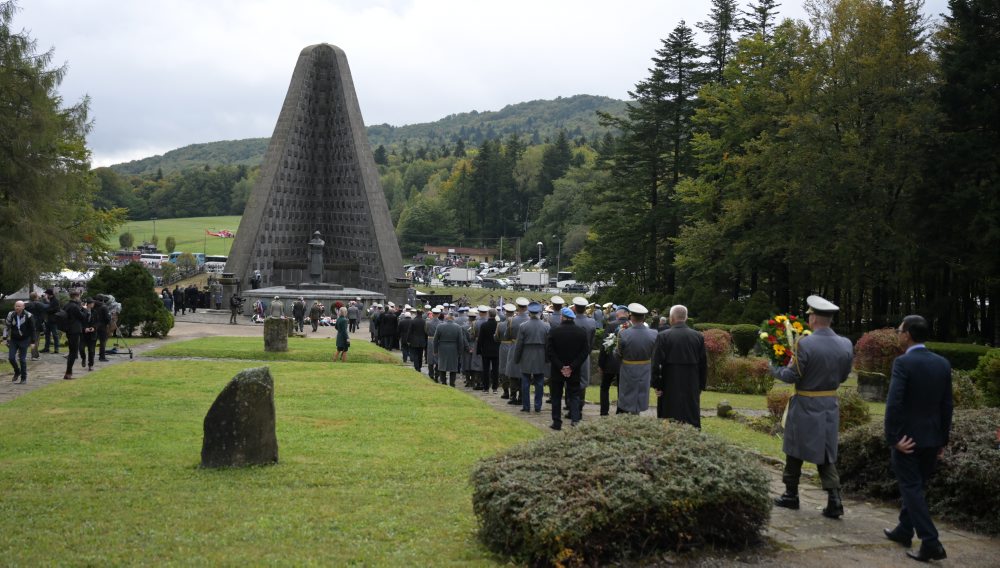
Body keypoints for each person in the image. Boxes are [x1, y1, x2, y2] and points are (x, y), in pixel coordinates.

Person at [770, 295, 854, 519]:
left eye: (809, 315)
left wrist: (774, 367)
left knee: (794, 447)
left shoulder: (804, 343)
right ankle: (834, 498)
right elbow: (845, 375)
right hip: (830, 403)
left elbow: (791, 375)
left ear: (814, 318)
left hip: (806, 401)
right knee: (826, 451)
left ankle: (790, 494)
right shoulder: (846, 343)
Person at [882, 315, 953, 562]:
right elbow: (947, 406)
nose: (898, 334)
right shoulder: (942, 363)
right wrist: (942, 440)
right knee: (916, 487)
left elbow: (894, 403)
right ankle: (904, 529)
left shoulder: (903, 363)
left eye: (899, 330)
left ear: (908, 334)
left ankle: (931, 542)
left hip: (908, 440)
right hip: (932, 438)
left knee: (911, 488)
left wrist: (893, 438)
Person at [651, 305, 707, 428]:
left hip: (669, 381)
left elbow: (655, 363)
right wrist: (701, 385)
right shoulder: (698, 336)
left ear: (671, 318)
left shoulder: (663, 336)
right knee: (690, 412)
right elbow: (703, 364)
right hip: (691, 381)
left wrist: (656, 384)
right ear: (686, 317)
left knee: (669, 414)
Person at [546, 307, 589, 430]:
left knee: (556, 396)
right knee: (575, 395)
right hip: (574, 370)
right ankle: (575, 420)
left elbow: (550, 352)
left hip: (557, 369)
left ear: (563, 317)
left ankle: (557, 422)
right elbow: (584, 352)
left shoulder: (554, 331)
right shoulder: (581, 332)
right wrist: (572, 366)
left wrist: (561, 366)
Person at [616, 303, 657, 415]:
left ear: (631, 316)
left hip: (628, 369)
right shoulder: (654, 334)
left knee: (627, 396)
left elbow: (618, 353)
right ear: (644, 317)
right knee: (641, 395)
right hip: (645, 368)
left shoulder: (623, 333)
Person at [514, 301, 549, 413]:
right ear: (539, 312)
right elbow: (548, 345)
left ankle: (526, 406)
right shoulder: (546, 326)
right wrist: (547, 358)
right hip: (540, 354)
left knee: (525, 381)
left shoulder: (523, 326)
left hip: (527, 354)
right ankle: (538, 406)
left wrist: (517, 358)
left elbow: (519, 344)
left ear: (529, 312)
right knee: (539, 382)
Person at [571, 297, 598, 419]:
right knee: (583, 380)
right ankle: (580, 406)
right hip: (585, 355)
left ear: (575, 308)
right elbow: (592, 340)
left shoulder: (570, 321)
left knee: (571, 380)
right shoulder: (592, 322)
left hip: (571, 355)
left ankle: (571, 408)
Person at [504, 297, 531, 407]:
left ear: (518, 307)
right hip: (527, 349)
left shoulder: (511, 320)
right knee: (524, 373)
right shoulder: (530, 320)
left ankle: (513, 396)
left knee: (513, 373)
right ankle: (522, 396)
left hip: (514, 346)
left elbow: (507, 336)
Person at [4, 301, 36, 383]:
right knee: (11, 358)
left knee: (22, 359)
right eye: (16, 306)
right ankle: (17, 371)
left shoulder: (29, 316)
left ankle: (23, 378)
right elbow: (7, 326)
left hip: (25, 339)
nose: (17, 308)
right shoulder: (11, 314)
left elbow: (33, 330)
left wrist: (33, 342)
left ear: (23, 307)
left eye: (19, 306)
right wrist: (5, 338)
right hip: (14, 339)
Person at [433, 313, 466, 386]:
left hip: (442, 348)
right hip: (453, 348)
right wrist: (460, 351)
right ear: (453, 319)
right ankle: (452, 383)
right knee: (453, 367)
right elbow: (460, 341)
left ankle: (443, 382)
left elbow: (435, 339)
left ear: (446, 318)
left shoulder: (440, 326)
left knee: (442, 365)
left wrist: (435, 350)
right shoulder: (458, 327)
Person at [62, 290, 87, 380]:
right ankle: (68, 373)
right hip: (75, 330)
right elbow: (83, 316)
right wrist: (84, 309)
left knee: (72, 351)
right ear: (76, 296)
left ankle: (69, 372)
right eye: (79, 296)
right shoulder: (74, 306)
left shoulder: (66, 305)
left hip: (68, 330)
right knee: (73, 352)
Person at [495, 303, 517, 399]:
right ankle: (514, 391)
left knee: (503, 369)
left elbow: (496, 338)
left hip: (503, 347)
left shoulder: (500, 325)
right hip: (514, 346)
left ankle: (505, 391)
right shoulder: (517, 323)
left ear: (505, 313)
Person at [477, 308, 500, 393]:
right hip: (496, 350)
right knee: (495, 370)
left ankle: (486, 387)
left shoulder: (484, 325)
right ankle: (495, 388)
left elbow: (480, 339)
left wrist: (479, 350)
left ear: (488, 314)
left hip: (486, 350)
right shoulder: (498, 325)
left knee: (486, 370)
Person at [25, 292, 46, 360]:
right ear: (35, 297)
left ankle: (21, 355)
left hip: (27, 325)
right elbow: (45, 310)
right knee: (35, 340)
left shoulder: (26, 304)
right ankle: (34, 355)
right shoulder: (38, 304)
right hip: (36, 324)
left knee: (25, 340)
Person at [79, 298, 98, 372]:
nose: (93, 304)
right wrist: (84, 328)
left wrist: (94, 328)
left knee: (91, 350)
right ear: (89, 304)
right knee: (81, 349)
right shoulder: (82, 311)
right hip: (83, 334)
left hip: (92, 334)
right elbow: (80, 322)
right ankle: (83, 358)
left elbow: (97, 322)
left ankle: (91, 365)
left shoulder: (95, 312)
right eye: (92, 303)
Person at [92, 295, 111, 362]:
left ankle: (92, 356)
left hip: (94, 326)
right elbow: (107, 318)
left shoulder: (93, 307)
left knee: (93, 342)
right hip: (102, 326)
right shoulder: (104, 307)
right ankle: (102, 357)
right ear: (102, 300)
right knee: (102, 342)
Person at [425, 307, 443, 379]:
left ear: (432, 314)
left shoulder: (428, 322)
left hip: (430, 340)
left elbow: (426, 331)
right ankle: (437, 373)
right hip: (438, 341)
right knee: (438, 358)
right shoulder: (441, 323)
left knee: (430, 358)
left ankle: (431, 373)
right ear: (438, 314)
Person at [41, 289, 60, 353]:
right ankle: (46, 348)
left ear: (49, 294)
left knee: (55, 334)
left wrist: (47, 309)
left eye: (46, 294)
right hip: (48, 320)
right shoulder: (50, 300)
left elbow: (56, 309)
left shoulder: (55, 301)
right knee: (47, 335)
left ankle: (56, 349)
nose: (46, 295)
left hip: (53, 320)